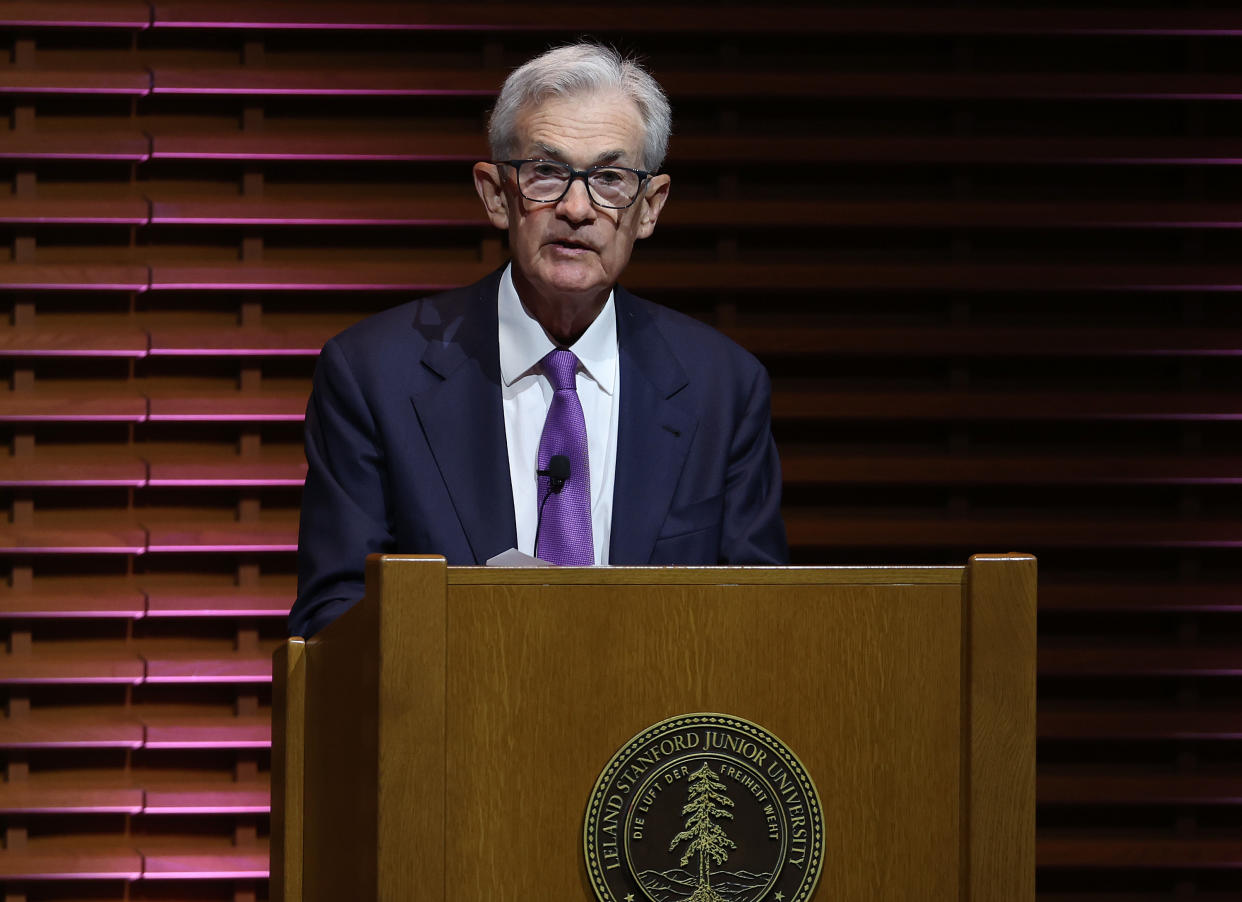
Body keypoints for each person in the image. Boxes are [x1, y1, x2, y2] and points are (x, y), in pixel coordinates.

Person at [290, 42, 786, 638]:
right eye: (547, 173)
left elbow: (761, 625)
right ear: (496, 194)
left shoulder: (722, 389)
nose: (577, 208)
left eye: (609, 178)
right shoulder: (374, 377)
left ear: (649, 208)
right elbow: (331, 622)